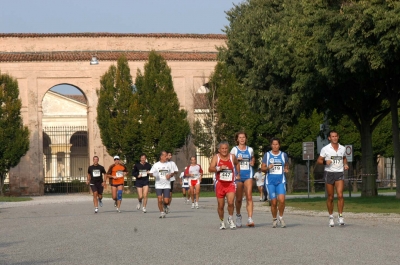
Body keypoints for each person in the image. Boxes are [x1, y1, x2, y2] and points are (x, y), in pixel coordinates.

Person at [317, 130, 349, 227]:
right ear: (329, 138)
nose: (334, 138)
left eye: (336, 136)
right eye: (332, 136)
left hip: (339, 173)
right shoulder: (325, 149)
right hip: (329, 173)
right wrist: (324, 162)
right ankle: (331, 217)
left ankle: (340, 216)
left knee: (340, 195)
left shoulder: (342, 148)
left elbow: (344, 157)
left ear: (338, 137)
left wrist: (345, 164)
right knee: (330, 197)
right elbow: (319, 160)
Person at [209, 141, 240, 230]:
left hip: (230, 183)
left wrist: (238, 174)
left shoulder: (232, 157)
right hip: (220, 184)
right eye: (222, 148)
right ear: (219, 150)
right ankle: (222, 221)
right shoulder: (216, 157)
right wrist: (219, 168)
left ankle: (230, 219)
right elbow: (210, 168)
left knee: (230, 202)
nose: (224, 150)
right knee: (221, 205)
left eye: (226, 148)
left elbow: (237, 163)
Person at [261, 137, 289, 228]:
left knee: (282, 200)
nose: (275, 146)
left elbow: (286, 165)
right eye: (273, 144)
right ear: (271, 145)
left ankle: (281, 217)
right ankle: (274, 219)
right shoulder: (267, 155)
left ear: (279, 145)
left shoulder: (283, 155)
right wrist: (268, 167)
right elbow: (262, 168)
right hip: (270, 182)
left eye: (277, 144)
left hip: (281, 181)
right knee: (273, 202)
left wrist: (286, 169)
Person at [230, 131, 255, 227]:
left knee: (249, 196)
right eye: (240, 137)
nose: (242, 139)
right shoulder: (234, 150)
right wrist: (237, 160)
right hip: (238, 176)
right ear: (237, 139)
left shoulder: (250, 149)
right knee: (239, 199)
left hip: (248, 175)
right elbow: (230, 161)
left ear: (246, 138)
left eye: (243, 137)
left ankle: (250, 218)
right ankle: (238, 215)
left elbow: (253, 158)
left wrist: (252, 161)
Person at [150, 151, 176, 218]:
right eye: (165, 156)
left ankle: (165, 205)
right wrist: (153, 174)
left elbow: (173, 173)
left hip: (167, 185)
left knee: (166, 201)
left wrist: (170, 175)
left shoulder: (169, 164)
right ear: (161, 157)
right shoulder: (156, 165)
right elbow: (150, 173)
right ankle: (162, 212)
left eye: (167, 156)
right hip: (158, 185)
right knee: (159, 199)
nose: (166, 157)